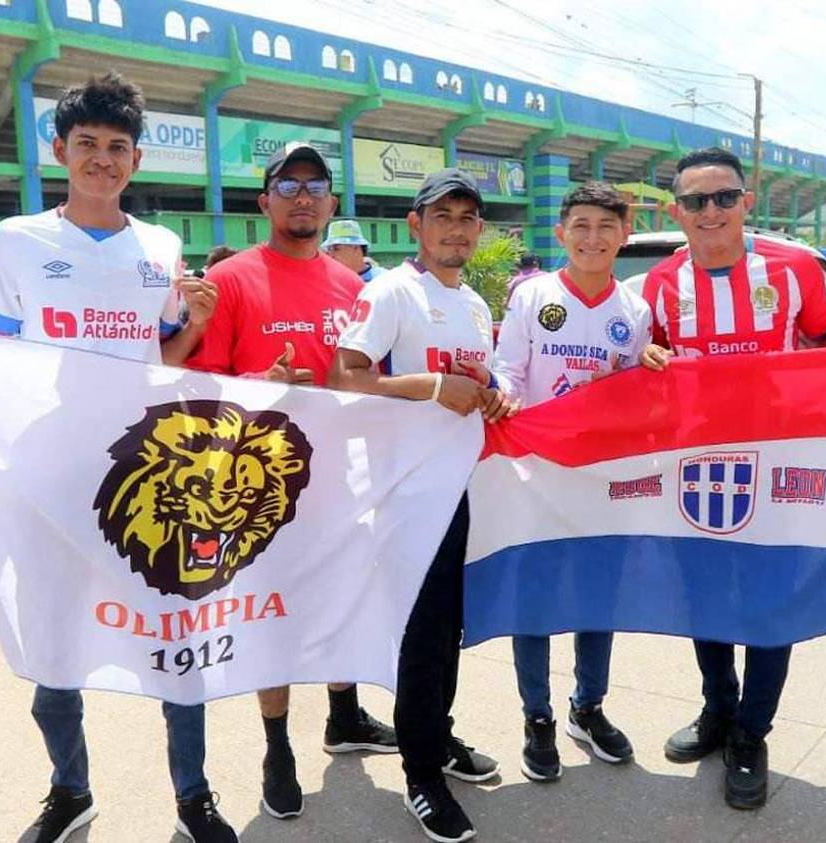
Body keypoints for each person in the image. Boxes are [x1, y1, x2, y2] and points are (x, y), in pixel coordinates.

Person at [0, 73, 233, 843]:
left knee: (175, 641)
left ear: (136, 158)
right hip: (48, 475)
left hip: (145, 476)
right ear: (59, 150)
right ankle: (70, 790)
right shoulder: (18, 240)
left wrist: (191, 322)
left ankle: (194, 798)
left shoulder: (160, 245)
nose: (102, 159)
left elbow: (158, 358)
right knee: (52, 642)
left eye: (117, 146)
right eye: (86, 144)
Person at [638, 147, 826, 811]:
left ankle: (751, 735)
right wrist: (645, 356)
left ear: (745, 201)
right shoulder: (658, 284)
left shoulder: (787, 270)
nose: (711, 211)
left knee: (768, 605)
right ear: (678, 210)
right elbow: (640, 357)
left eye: (723, 197)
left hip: (778, 469)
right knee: (705, 600)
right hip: (695, 471)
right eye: (696, 201)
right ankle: (717, 711)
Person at [182, 142, 398, 822]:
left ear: (333, 205)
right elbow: (200, 391)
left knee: (340, 603)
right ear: (265, 200)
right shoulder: (237, 281)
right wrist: (261, 387)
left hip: (340, 480)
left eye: (316, 184)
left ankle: (344, 714)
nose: (302, 194)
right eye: (288, 183)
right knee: (270, 619)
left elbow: (376, 382)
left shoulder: (355, 288)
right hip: (258, 484)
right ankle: (278, 745)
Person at [329, 168, 511, 843]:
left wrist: (491, 392)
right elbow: (345, 376)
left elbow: (477, 382)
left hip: (464, 490)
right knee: (422, 638)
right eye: (443, 216)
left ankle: (438, 737)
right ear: (416, 225)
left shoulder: (472, 304)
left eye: (468, 218)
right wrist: (435, 385)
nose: (456, 229)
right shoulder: (392, 291)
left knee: (450, 632)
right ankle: (422, 775)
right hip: (408, 499)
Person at [492, 181, 653, 783]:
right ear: (561, 232)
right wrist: (506, 402)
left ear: (623, 235)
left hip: (600, 479)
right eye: (580, 225)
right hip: (534, 474)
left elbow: (638, 392)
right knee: (533, 604)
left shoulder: (634, 312)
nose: (593, 238)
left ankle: (588, 707)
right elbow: (508, 368)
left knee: (596, 599)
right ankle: (537, 718)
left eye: (606, 227)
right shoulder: (533, 295)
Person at [322, 218, 386, 282]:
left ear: (355, 247)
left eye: (336, 249)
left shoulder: (383, 279)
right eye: (329, 250)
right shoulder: (330, 281)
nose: (331, 255)